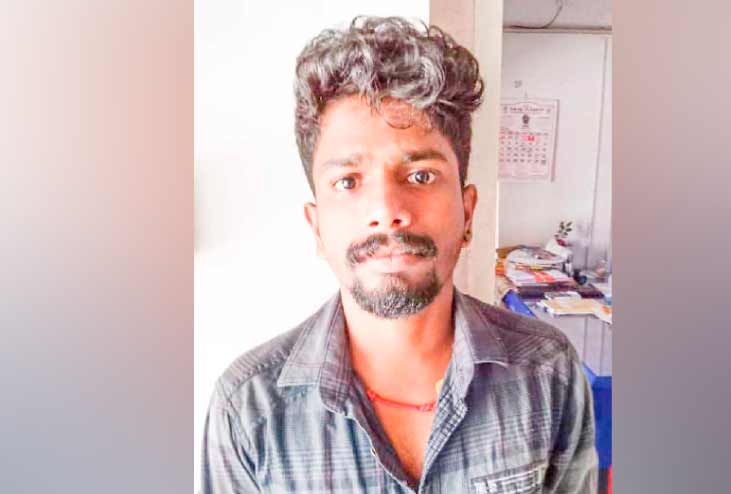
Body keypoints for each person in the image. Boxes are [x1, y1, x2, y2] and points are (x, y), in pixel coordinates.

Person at [201, 16, 598, 494]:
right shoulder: (247, 412)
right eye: (348, 182)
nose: (387, 211)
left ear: (468, 212)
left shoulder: (548, 373)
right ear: (317, 227)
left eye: (421, 176)